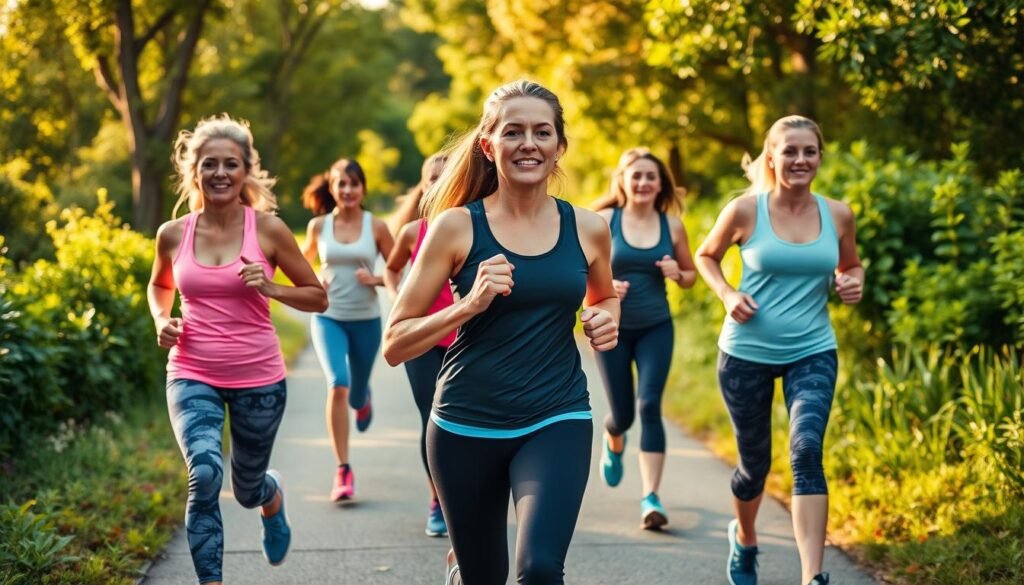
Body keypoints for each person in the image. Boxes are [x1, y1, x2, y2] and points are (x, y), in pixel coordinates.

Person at [382, 80, 619, 585]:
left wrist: (606, 318)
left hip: (556, 416)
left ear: (559, 147)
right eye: (513, 132)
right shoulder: (454, 228)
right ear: (489, 146)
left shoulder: (590, 228)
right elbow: (395, 343)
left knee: (538, 569)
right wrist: (467, 305)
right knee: (482, 576)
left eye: (542, 132)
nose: (528, 144)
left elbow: (604, 296)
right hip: (464, 425)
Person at [148, 114, 328, 585]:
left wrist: (270, 287)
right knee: (204, 475)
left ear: (246, 171)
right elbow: (159, 284)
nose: (221, 173)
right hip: (191, 371)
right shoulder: (173, 233)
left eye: (231, 163)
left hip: (258, 376)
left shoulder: (268, 231)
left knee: (246, 489)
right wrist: (161, 319)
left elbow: (317, 295)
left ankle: (271, 499)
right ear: (194, 172)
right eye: (210, 164)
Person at [694, 115, 864, 585]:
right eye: (790, 151)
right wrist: (728, 294)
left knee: (807, 450)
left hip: (812, 350)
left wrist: (852, 284)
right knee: (754, 467)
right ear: (771, 156)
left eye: (809, 151)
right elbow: (706, 256)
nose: (800, 160)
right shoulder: (746, 211)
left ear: (820, 157)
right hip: (745, 352)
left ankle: (813, 576)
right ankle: (745, 538)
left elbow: (851, 265)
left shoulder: (839, 214)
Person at [590, 147, 697, 530]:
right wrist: (603, 289)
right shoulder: (602, 221)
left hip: (656, 327)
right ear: (622, 180)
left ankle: (651, 497)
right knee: (624, 413)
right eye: (636, 175)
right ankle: (613, 434)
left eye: (651, 176)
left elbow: (691, 276)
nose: (643, 182)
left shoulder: (672, 226)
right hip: (611, 328)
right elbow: (577, 274)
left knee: (650, 405)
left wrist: (675, 272)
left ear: (660, 183)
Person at [300, 158, 394, 503]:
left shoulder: (377, 227)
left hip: (367, 320)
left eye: (354, 184)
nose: (348, 190)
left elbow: (403, 271)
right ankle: (343, 470)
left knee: (354, 391)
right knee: (337, 383)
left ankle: (362, 398)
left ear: (363, 188)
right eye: (341, 184)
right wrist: (314, 279)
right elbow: (298, 264)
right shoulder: (318, 227)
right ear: (332, 188)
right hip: (329, 317)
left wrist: (378, 278)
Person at [383, 153, 452, 537]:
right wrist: (396, 299)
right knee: (432, 418)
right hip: (421, 338)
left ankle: (467, 494)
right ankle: (438, 500)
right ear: (423, 186)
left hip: (464, 338)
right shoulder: (412, 232)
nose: (438, 186)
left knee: (466, 419)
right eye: (432, 179)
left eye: (446, 179)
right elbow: (391, 268)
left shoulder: (471, 226)